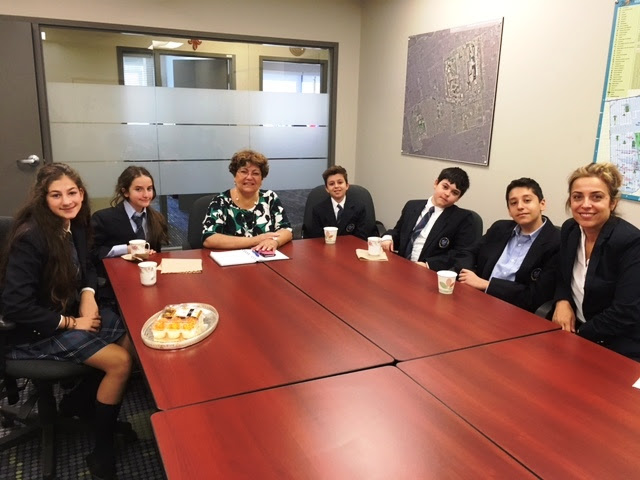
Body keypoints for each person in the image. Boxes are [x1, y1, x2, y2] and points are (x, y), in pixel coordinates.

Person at [0, 163, 134, 479]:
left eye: (72, 193)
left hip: (68, 311)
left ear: (81, 193)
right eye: (56, 195)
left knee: (130, 335)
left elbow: (87, 265)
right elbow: (15, 306)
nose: (67, 201)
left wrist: (88, 295)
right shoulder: (31, 237)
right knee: (120, 362)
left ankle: (80, 403)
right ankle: (101, 452)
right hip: (30, 332)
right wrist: (71, 323)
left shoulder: (75, 223)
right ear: (42, 199)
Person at [552, 162, 640, 361]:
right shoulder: (571, 229)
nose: (585, 204)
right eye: (577, 197)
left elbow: (624, 312)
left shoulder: (631, 242)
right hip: (579, 333)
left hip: (620, 345)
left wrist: (579, 337)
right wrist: (562, 300)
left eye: (596, 197)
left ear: (612, 203)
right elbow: (562, 274)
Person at [458, 178, 560, 312]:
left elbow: (536, 296)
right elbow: (469, 252)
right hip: (477, 300)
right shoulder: (499, 228)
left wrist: (487, 285)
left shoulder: (556, 242)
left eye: (527, 200)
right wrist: (468, 274)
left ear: (542, 204)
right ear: (509, 210)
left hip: (516, 312)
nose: (520, 206)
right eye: (513, 203)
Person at [92, 166, 169, 300]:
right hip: (116, 286)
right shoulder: (103, 218)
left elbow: (156, 254)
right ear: (125, 192)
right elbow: (92, 253)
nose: (146, 195)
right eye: (138, 189)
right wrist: (126, 249)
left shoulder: (156, 218)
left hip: (148, 281)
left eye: (149, 189)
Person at [381, 166, 477, 271]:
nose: (447, 194)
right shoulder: (411, 206)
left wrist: (428, 265)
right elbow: (398, 232)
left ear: (459, 198)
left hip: (428, 272)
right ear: (436, 183)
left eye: (455, 193)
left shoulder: (463, 219)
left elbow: (460, 254)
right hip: (401, 267)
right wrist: (388, 238)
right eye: (445, 187)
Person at [202, 149, 293, 250]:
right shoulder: (221, 201)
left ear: (261, 179)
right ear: (235, 176)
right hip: (231, 261)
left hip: (264, 258)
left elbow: (286, 230)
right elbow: (209, 238)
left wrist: (274, 241)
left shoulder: (269, 197)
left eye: (255, 173)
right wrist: (255, 240)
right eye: (244, 172)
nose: (249, 177)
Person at [306, 165, 377, 241]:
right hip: (327, 249)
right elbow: (317, 238)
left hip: (351, 248)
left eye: (340, 182)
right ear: (327, 189)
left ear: (347, 186)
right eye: (331, 184)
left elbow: (362, 236)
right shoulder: (318, 209)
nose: (336, 186)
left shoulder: (359, 207)